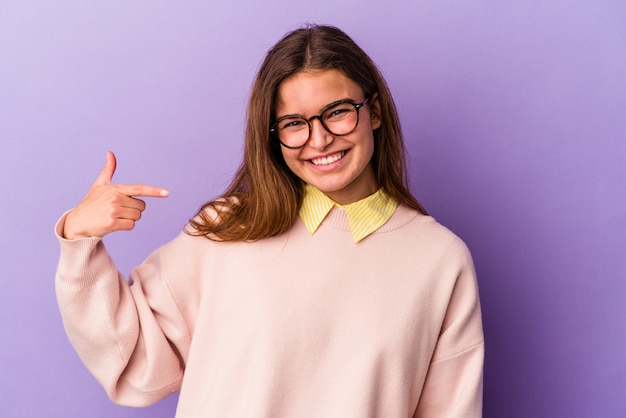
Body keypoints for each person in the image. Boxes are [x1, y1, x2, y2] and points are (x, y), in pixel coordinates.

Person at [55, 24, 484, 417]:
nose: (319, 139)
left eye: (337, 112)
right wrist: (79, 239)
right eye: (294, 123)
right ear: (274, 137)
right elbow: (134, 360)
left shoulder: (439, 260)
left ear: (373, 112)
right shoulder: (227, 231)